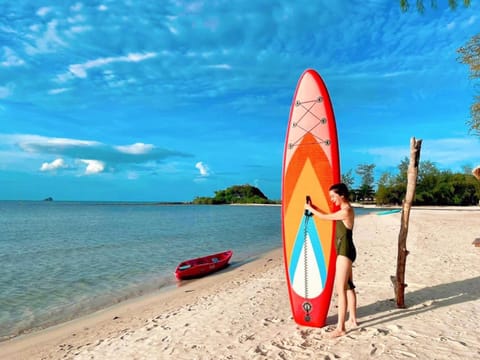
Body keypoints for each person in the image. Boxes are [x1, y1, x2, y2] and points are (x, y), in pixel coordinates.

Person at [304, 183, 358, 338]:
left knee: (340, 289)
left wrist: (310, 209)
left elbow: (325, 217)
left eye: (333, 196)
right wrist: (314, 208)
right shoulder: (345, 210)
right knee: (348, 286)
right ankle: (353, 319)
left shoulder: (345, 211)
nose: (332, 199)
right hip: (347, 250)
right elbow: (328, 215)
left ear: (342, 195)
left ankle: (340, 328)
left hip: (344, 252)